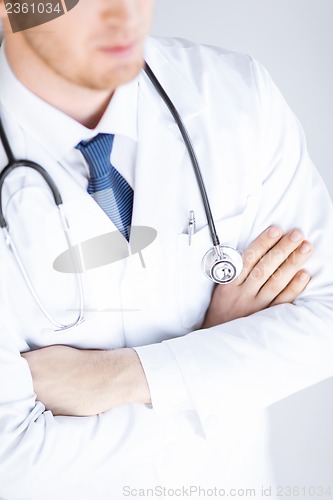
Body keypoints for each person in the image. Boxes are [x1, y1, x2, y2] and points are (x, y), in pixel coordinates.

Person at [0, 1, 332, 499]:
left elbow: (324, 322)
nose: (124, 15)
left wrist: (117, 377)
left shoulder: (233, 94)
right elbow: (12, 464)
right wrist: (216, 367)